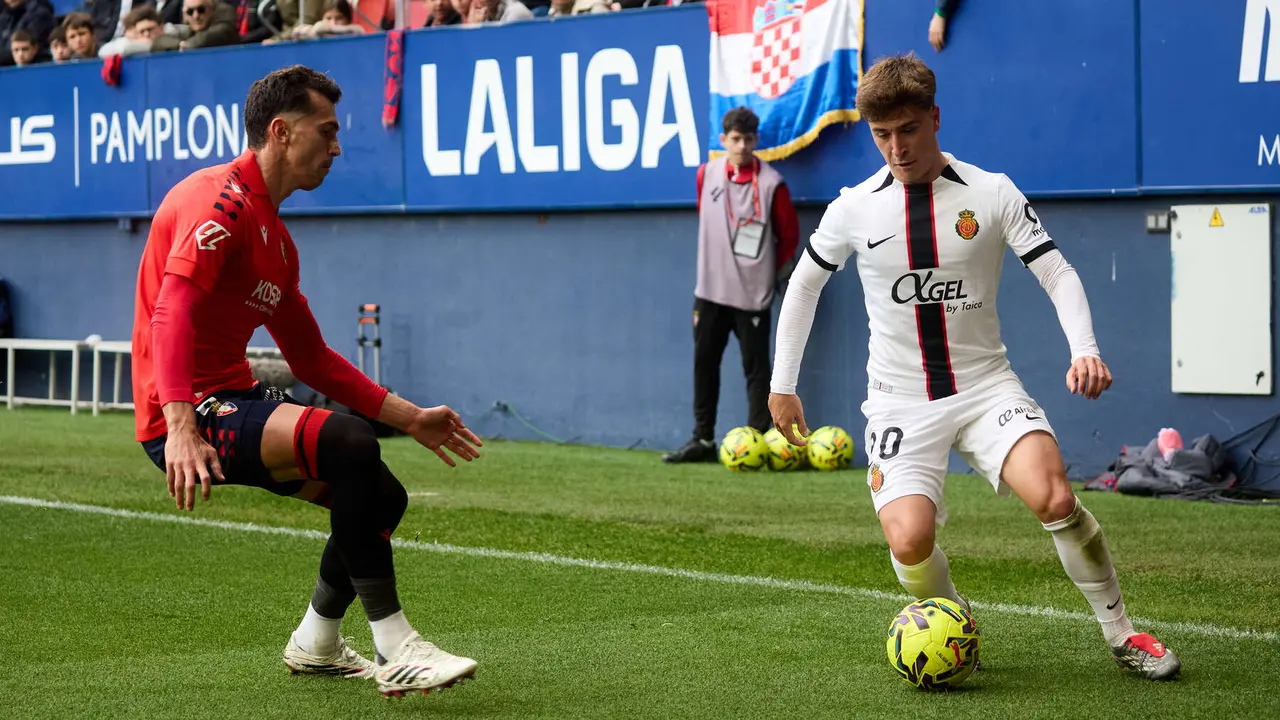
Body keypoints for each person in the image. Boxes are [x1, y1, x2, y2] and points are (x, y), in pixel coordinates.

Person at [767, 54, 1180, 680]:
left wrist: (1085, 348)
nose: (897, 148)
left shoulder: (991, 192)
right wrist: (783, 384)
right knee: (908, 540)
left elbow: (1057, 272)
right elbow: (802, 289)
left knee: (1056, 497)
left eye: (908, 129)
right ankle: (955, 621)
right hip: (900, 401)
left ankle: (1122, 633)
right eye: (882, 135)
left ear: (935, 117)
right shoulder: (854, 208)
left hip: (987, 388)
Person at [131, 65, 484, 698]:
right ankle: (396, 644)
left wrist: (411, 418)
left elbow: (313, 358)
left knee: (382, 496)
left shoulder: (279, 243)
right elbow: (171, 312)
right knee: (348, 442)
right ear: (281, 132)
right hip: (180, 412)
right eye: (326, 131)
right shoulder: (217, 202)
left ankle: (317, 641)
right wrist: (180, 426)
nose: (338, 146)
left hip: (231, 397)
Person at [663, 106, 800, 463]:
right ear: (723, 140)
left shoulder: (772, 184)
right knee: (704, 363)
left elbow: (788, 237)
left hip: (753, 295)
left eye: (747, 139)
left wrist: (775, 280)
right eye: (734, 139)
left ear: (756, 141)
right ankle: (703, 439)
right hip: (709, 291)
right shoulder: (705, 175)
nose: (740, 146)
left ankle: (755, 441)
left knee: (757, 370)